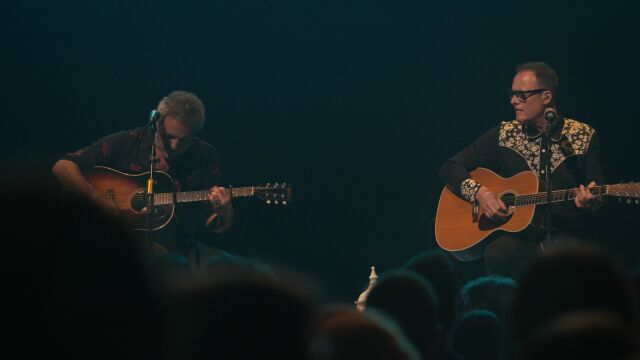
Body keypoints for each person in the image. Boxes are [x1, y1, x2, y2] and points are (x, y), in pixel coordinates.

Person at [439, 62, 603, 276]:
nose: (513, 101)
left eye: (521, 95)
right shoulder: (505, 134)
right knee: (499, 252)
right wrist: (481, 193)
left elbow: (597, 190)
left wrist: (590, 200)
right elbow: (450, 167)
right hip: (520, 239)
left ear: (546, 96)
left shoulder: (582, 135)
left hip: (566, 235)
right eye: (512, 93)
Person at [52, 90, 234, 267]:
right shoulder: (129, 141)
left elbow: (212, 225)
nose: (174, 146)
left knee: (228, 267)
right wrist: (97, 198)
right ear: (157, 124)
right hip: (119, 241)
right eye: (169, 137)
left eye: (184, 140)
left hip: (179, 247)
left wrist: (224, 213)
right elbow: (63, 166)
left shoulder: (205, 157)